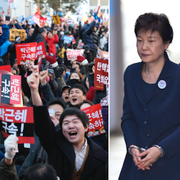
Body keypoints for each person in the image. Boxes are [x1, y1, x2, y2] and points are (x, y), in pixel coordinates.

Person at [119, 13, 180, 180]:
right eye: (140, 40)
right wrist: (132, 146)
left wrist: (161, 149)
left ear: (166, 43)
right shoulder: (131, 73)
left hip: (171, 163)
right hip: (137, 164)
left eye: (151, 41)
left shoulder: (177, 75)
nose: (144, 47)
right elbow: (128, 116)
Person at [26, 66, 107, 180]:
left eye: (75, 122)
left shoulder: (101, 155)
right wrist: (34, 90)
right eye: (66, 123)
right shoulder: (55, 144)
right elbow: (42, 124)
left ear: (86, 127)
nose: (70, 126)